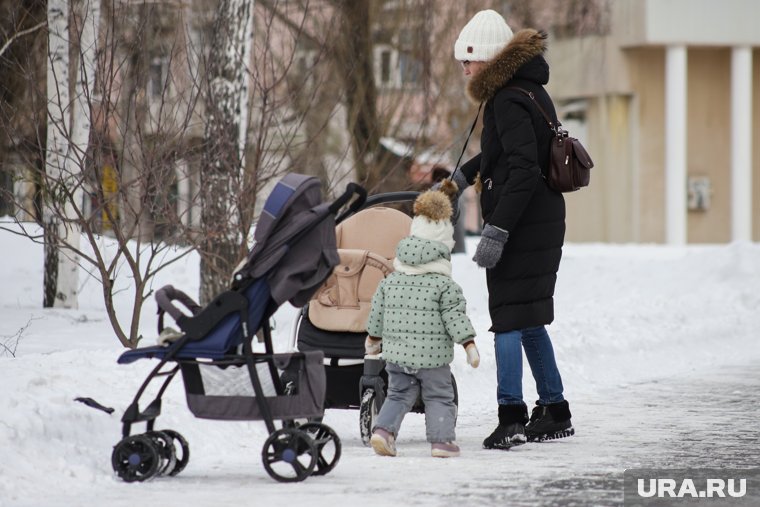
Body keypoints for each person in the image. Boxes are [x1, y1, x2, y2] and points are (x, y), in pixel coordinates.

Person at [449, 9, 574, 450]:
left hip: (523, 226)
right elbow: (506, 155)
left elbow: (521, 170)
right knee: (529, 317)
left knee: (507, 320)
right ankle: (555, 410)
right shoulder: (530, 90)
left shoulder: (506, 99)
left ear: (488, 58)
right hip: (540, 220)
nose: (464, 69)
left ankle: (512, 417)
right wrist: (461, 179)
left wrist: (496, 230)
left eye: (469, 60)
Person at [364, 183, 480, 458]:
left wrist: (373, 340)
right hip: (432, 358)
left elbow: (377, 312)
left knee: (397, 394)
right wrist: (469, 345)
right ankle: (441, 443)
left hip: (397, 355)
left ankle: (383, 432)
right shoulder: (443, 284)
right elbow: (455, 316)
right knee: (439, 396)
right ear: (443, 247)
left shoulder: (391, 280)